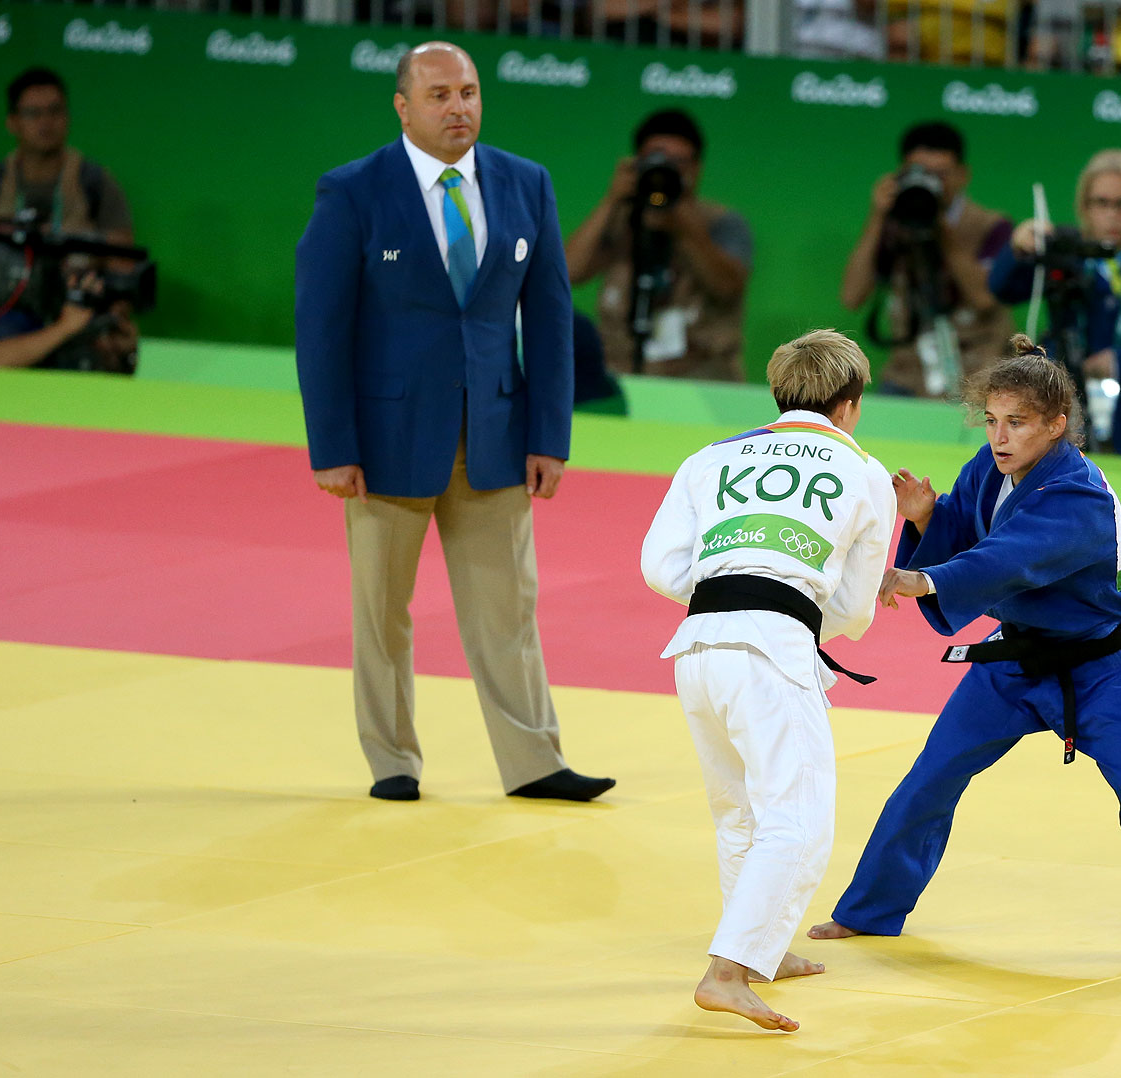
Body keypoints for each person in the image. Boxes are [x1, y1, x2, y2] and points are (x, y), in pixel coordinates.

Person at [808, 335, 1121, 967]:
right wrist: (929, 518)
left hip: (1102, 669)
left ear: (1058, 426)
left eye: (1018, 424)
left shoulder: (1078, 496)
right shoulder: (991, 466)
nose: (1000, 437)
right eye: (992, 422)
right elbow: (972, 529)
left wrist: (920, 577)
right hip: (1012, 661)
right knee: (930, 776)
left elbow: (1008, 558)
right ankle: (870, 910)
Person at [294, 41, 614, 804]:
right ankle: (393, 761)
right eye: (438, 95)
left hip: (496, 434)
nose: (457, 107)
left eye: (468, 92)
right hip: (385, 441)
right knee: (381, 614)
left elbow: (550, 318)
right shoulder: (353, 192)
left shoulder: (525, 183)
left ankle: (535, 761)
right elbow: (321, 327)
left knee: (509, 611)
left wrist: (549, 436)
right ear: (403, 106)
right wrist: (332, 447)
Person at [641, 329, 897, 1032]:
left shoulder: (710, 458)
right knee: (799, 820)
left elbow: (660, 565)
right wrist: (780, 592)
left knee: (742, 814)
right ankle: (728, 972)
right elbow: (851, 610)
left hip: (696, 647)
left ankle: (763, 946)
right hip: (772, 649)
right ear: (850, 403)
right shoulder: (864, 471)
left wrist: (735, 574)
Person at [989, 149, 1121, 459]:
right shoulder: (1065, 256)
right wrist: (1018, 248)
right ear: (1085, 206)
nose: (1112, 214)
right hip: (1063, 427)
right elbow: (1003, 289)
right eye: (1101, 203)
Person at [565, 108, 752, 381]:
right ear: (636, 162)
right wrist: (611, 200)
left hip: (703, 379)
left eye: (679, 162)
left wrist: (684, 226)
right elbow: (569, 270)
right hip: (620, 374)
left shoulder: (724, 223)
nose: (668, 170)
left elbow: (727, 287)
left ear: (697, 169)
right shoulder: (621, 219)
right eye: (657, 159)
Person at [840, 121, 1013, 399]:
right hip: (907, 375)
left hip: (979, 371)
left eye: (940, 175)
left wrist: (942, 232)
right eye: (919, 173)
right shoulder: (896, 224)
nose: (931, 183)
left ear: (962, 175)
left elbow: (984, 298)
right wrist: (878, 218)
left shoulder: (993, 226)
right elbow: (851, 296)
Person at [0, 67, 141, 372]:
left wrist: (114, 318)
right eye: (33, 113)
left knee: (104, 354)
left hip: (77, 310)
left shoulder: (95, 184)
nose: (46, 122)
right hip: (5, 313)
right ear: (13, 122)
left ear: (68, 117)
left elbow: (122, 269)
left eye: (55, 111)